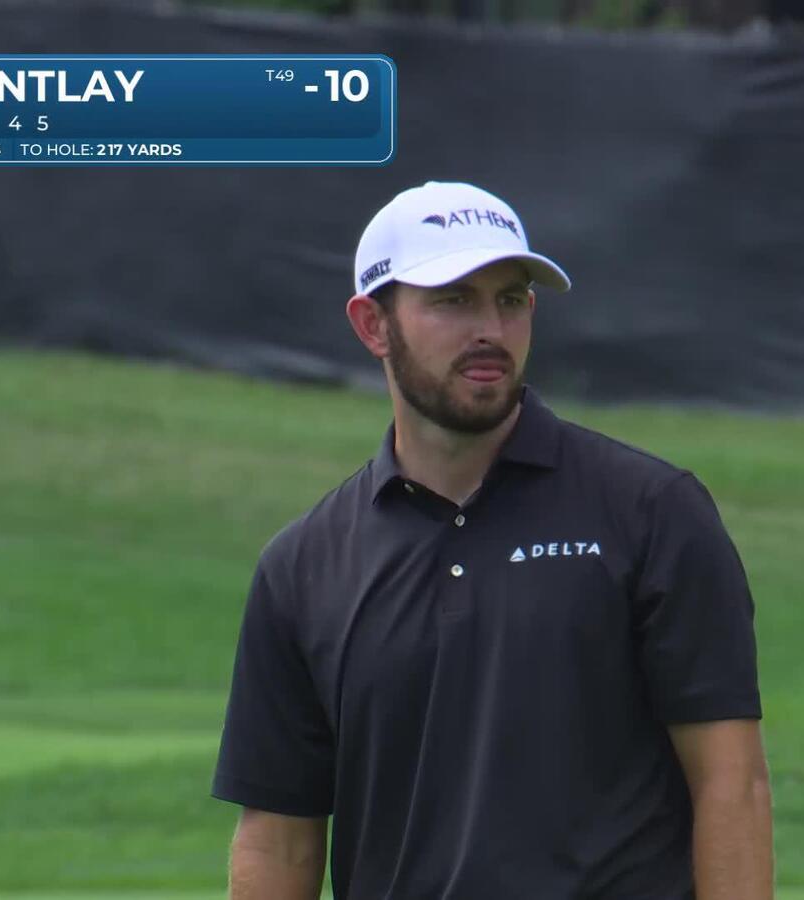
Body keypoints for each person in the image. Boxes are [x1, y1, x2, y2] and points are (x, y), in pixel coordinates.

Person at [211, 180, 772, 899]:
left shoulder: (652, 512)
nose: (491, 330)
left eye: (510, 299)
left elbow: (731, 784)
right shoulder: (303, 567)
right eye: (453, 300)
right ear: (372, 325)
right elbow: (278, 838)